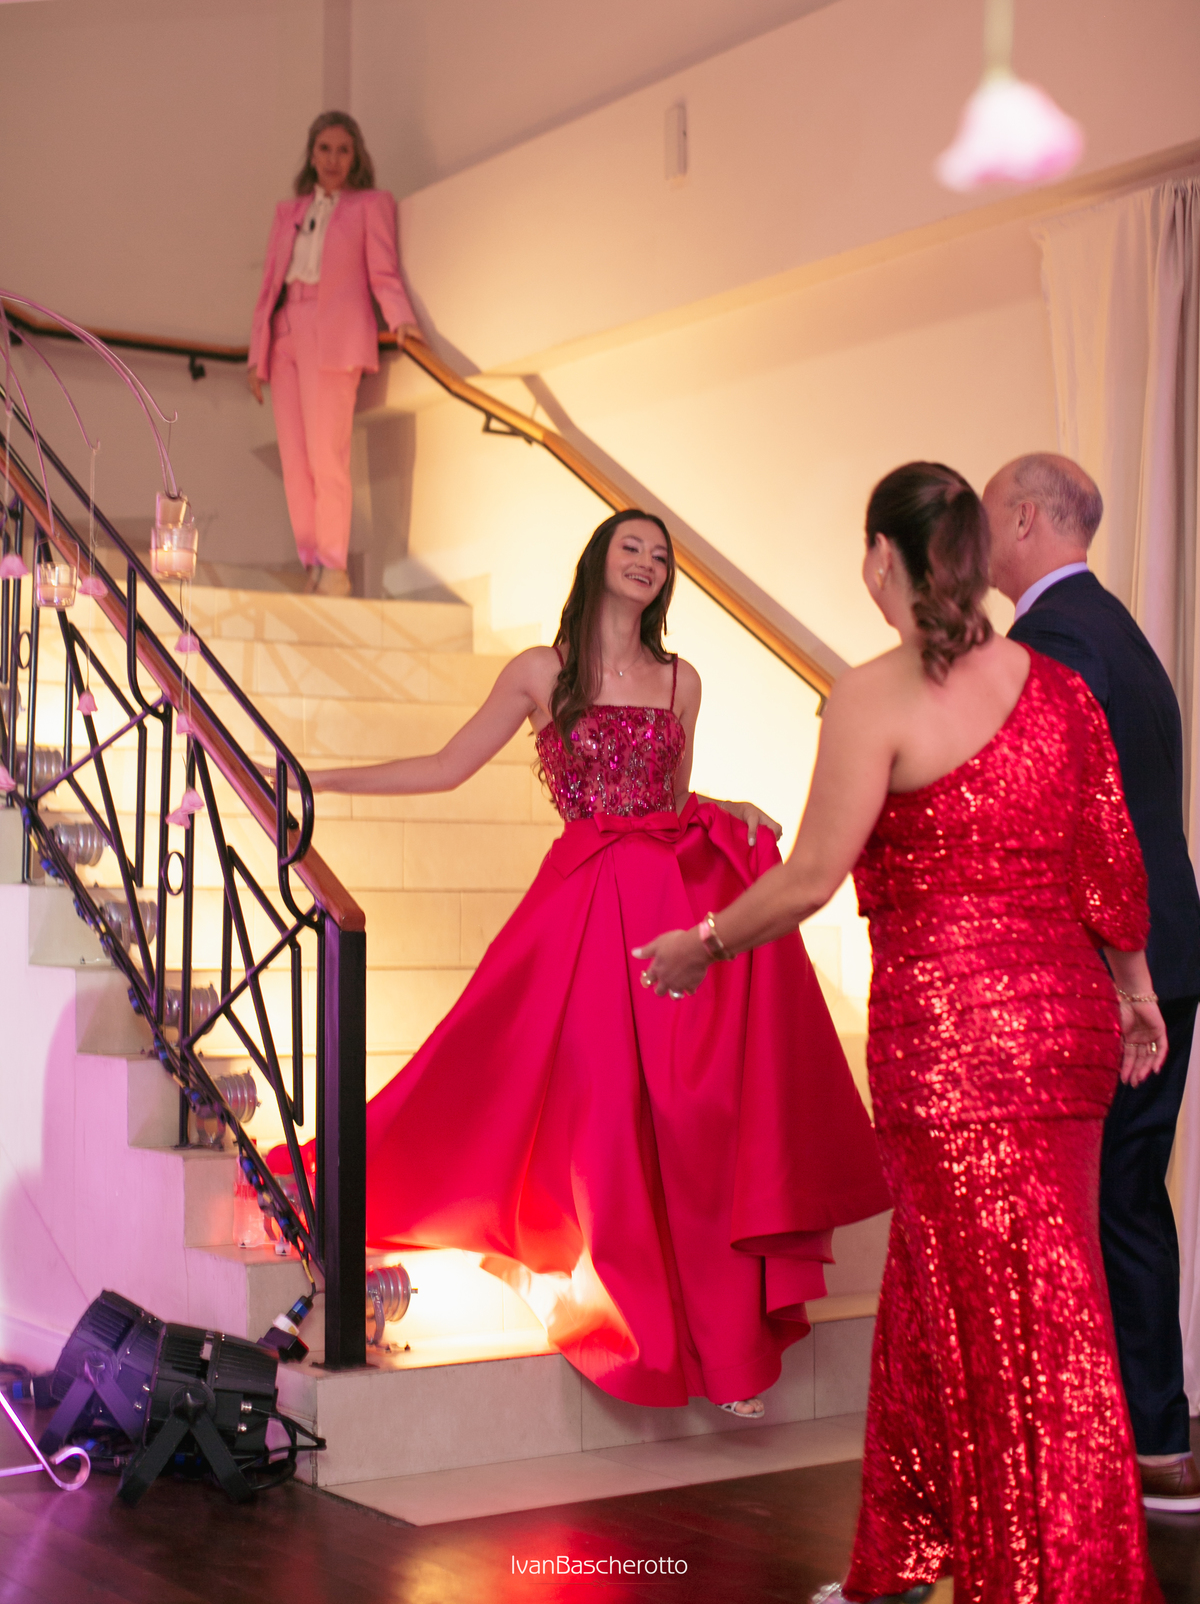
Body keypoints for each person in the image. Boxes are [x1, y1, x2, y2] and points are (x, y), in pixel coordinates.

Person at [637, 463, 1166, 1603]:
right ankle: (902, 1557)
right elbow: (1109, 859)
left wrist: (704, 943)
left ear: (885, 556)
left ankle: (1060, 1584)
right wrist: (1136, 991)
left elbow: (811, 877)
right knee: (944, 1290)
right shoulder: (1057, 687)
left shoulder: (873, 694)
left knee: (1029, 1331)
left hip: (952, 1046)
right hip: (1063, 1028)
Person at [293, 508, 890, 1415]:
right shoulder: (542, 670)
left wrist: (727, 810)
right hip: (580, 905)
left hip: (666, 908)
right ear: (599, 561)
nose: (647, 562)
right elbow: (449, 766)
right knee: (598, 1114)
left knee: (694, 1115)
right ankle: (623, 1319)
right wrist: (323, 781)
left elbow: (673, 803)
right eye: (631, 548)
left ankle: (726, 1349)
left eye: (660, 555)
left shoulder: (683, 680)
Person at [983, 450, 1200, 1511]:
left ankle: (1104, 1446)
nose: (979, 540)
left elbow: (1060, 818)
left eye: (987, 517)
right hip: (1165, 952)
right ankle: (1153, 1441)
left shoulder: (1055, 638)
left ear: (1026, 518)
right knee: (1125, 1196)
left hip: (1112, 967)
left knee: (1087, 1201)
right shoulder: (1116, 628)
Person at [246, 111, 420, 597]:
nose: (333, 159)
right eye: (324, 149)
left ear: (356, 156)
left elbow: (383, 271)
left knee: (328, 456)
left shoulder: (371, 204)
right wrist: (257, 353)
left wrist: (401, 319)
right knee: (295, 459)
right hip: (285, 331)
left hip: (333, 334)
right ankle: (312, 564)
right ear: (311, 154)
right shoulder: (290, 210)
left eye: (343, 150)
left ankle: (334, 566)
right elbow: (269, 284)